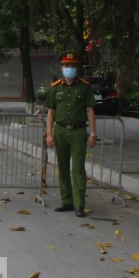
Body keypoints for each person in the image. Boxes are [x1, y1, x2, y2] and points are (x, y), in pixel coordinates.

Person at [44, 51, 97, 217]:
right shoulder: (55, 88)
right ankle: (67, 201)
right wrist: (50, 134)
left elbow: (90, 109)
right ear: (61, 67)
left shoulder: (84, 86)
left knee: (78, 169)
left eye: (72, 66)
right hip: (60, 131)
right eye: (66, 66)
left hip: (78, 131)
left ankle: (79, 204)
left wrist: (93, 133)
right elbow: (51, 112)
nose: (69, 68)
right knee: (63, 167)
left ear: (77, 67)